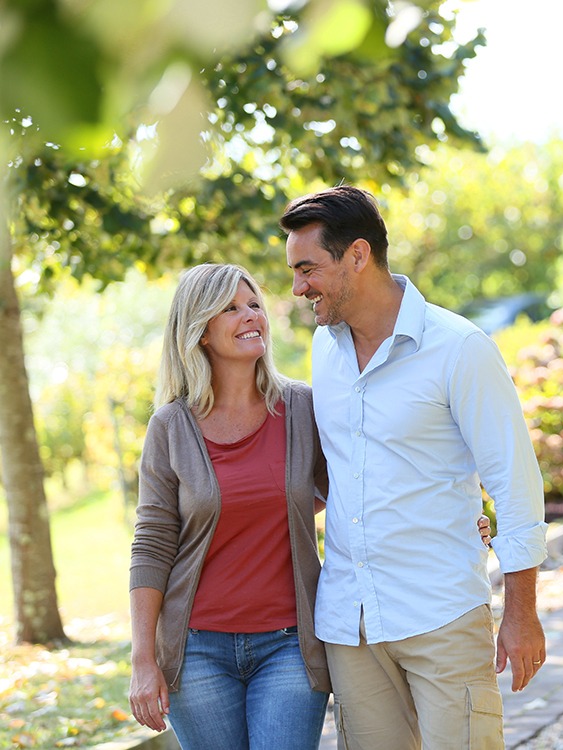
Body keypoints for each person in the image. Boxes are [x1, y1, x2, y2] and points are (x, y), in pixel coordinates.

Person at [127, 262, 495, 749]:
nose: (251, 316)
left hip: (290, 644)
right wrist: (143, 658)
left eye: (255, 304)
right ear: (199, 332)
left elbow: (357, 482)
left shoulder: (301, 408)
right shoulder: (170, 427)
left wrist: (453, 515)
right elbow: (152, 544)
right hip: (196, 651)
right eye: (232, 309)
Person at [279, 185, 549, 750]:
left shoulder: (459, 348)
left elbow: (516, 485)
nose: (299, 287)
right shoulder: (324, 350)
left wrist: (521, 613)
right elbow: (341, 469)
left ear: (357, 255)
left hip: (441, 612)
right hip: (351, 625)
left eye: (308, 269)